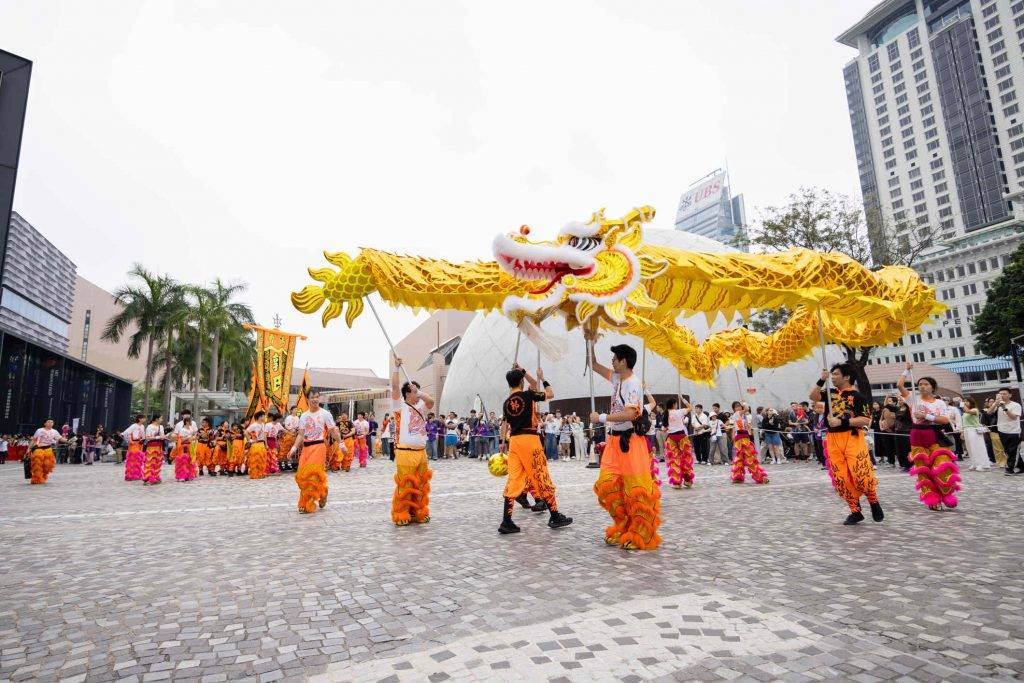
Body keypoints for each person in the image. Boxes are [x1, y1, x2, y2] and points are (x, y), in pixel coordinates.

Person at [587, 333, 661, 551]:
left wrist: (600, 418)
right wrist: (590, 341)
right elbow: (593, 365)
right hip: (614, 442)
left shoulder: (633, 384)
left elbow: (630, 414)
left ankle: (641, 533)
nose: (612, 361)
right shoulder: (617, 379)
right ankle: (622, 525)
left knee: (635, 489)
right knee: (607, 485)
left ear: (624, 362)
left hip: (631, 442)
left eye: (615, 358)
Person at [498, 363, 572, 534]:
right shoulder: (528, 395)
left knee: (514, 479)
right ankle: (554, 515)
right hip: (529, 440)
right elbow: (550, 394)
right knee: (541, 475)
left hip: (514, 442)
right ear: (521, 381)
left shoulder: (507, 402)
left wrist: (502, 443)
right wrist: (541, 377)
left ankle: (506, 521)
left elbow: (504, 424)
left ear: (509, 384)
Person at [810, 364, 883, 525]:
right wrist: (821, 380)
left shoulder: (858, 397)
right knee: (841, 477)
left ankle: (873, 500)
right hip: (833, 439)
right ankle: (855, 511)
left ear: (847, 377)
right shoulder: (830, 393)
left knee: (860, 474)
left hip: (852, 437)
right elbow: (813, 396)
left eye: (835, 374)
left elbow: (865, 419)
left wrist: (842, 420)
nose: (832, 376)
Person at [896, 365, 960, 510]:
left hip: (935, 435)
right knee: (923, 469)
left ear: (933, 387)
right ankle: (931, 498)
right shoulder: (913, 400)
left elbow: (944, 420)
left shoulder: (940, 403)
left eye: (926, 384)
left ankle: (947, 494)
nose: (922, 386)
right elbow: (899, 385)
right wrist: (906, 370)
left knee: (942, 466)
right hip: (917, 436)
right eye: (920, 384)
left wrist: (926, 416)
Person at [390, 358, 435, 526]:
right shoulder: (399, 406)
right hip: (405, 452)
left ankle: (418, 511)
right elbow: (394, 387)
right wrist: (396, 367)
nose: (418, 395)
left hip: (421, 452)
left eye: (419, 392)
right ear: (408, 392)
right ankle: (401, 512)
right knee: (406, 484)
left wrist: (420, 393)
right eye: (415, 392)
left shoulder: (422, 407)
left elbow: (431, 402)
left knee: (421, 484)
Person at [289, 391, 339, 514]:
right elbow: (301, 435)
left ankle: (307, 504)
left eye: (317, 397)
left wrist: (341, 443)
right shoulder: (304, 416)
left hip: (319, 446)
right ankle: (323, 492)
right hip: (306, 449)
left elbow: (332, 431)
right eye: (312, 397)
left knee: (312, 476)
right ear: (308, 399)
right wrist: (293, 448)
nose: (315, 399)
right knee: (302, 476)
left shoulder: (325, 414)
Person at [729, 402, 768, 484]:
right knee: (748, 456)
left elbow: (746, 428)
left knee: (742, 457)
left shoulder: (743, 417)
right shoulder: (736, 414)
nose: (738, 408)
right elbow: (747, 409)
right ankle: (759, 476)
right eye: (736, 407)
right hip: (740, 439)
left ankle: (738, 477)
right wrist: (744, 403)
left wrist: (748, 427)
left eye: (739, 406)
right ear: (734, 409)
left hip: (745, 437)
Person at [987, 388, 1022, 475]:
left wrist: (1004, 407)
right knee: (1008, 451)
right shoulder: (998, 405)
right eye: (1000, 394)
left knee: (1013, 450)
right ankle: (1022, 466)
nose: (1002, 395)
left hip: (1014, 431)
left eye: (1004, 393)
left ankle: (1010, 469)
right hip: (1002, 431)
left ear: (1010, 395)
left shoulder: (1015, 405)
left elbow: (1013, 417)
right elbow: (988, 412)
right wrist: (995, 403)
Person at [663, 396, 695, 489]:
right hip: (682, 437)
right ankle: (688, 481)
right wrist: (683, 399)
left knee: (674, 459)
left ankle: (677, 482)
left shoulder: (666, 414)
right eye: (676, 403)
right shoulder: (679, 411)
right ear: (674, 404)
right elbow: (690, 408)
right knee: (686, 458)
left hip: (671, 438)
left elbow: (664, 429)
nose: (677, 405)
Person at [28, 419, 63, 485]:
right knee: (37, 466)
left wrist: (68, 441)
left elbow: (60, 438)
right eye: (49, 422)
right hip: (38, 449)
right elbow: (33, 440)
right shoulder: (39, 430)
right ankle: (37, 479)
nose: (51, 423)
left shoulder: (54, 431)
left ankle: (42, 477)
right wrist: (29, 449)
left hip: (48, 450)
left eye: (52, 422)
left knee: (47, 466)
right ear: (45, 423)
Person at [961, 398, 990, 472]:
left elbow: (968, 411)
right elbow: (964, 423)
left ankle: (982, 464)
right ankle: (975, 463)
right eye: (965, 402)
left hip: (974, 430)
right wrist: (962, 432)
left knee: (977, 447)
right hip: (966, 430)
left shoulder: (975, 410)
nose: (965, 403)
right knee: (970, 448)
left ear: (971, 402)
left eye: (967, 402)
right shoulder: (964, 413)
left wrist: (962, 404)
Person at [171, 410, 199, 482]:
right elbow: (177, 436)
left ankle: (189, 474)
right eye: (185, 414)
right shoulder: (179, 425)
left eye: (188, 414)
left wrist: (194, 439)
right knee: (182, 460)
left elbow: (195, 433)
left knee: (190, 460)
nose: (187, 416)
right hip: (182, 445)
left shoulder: (193, 425)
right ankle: (181, 475)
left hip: (191, 445)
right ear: (182, 416)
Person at [143, 414, 169, 486]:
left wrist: (165, 437)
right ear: (156, 419)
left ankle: (155, 477)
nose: (162, 420)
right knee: (150, 462)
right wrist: (158, 437)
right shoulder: (150, 426)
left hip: (159, 446)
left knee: (157, 462)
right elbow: (148, 437)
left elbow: (162, 436)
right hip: (151, 446)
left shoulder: (161, 427)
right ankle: (147, 479)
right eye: (161, 418)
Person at [122, 414, 146, 481]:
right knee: (132, 459)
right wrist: (130, 440)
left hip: (139, 444)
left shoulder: (142, 426)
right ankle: (129, 475)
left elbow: (143, 434)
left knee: (138, 460)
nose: (144, 420)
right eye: (143, 418)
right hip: (133, 443)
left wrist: (143, 440)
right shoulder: (134, 425)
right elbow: (126, 433)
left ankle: (137, 475)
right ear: (139, 419)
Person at [245, 411, 269, 480]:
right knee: (255, 460)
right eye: (264, 416)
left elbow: (265, 436)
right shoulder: (254, 425)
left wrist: (266, 444)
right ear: (260, 417)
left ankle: (261, 474)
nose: (265, 417)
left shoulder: (263, 425)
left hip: (262, 444)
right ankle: (254, 474)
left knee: (262, 459)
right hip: (255, 445)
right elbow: (246, 432)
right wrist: (250, 440)